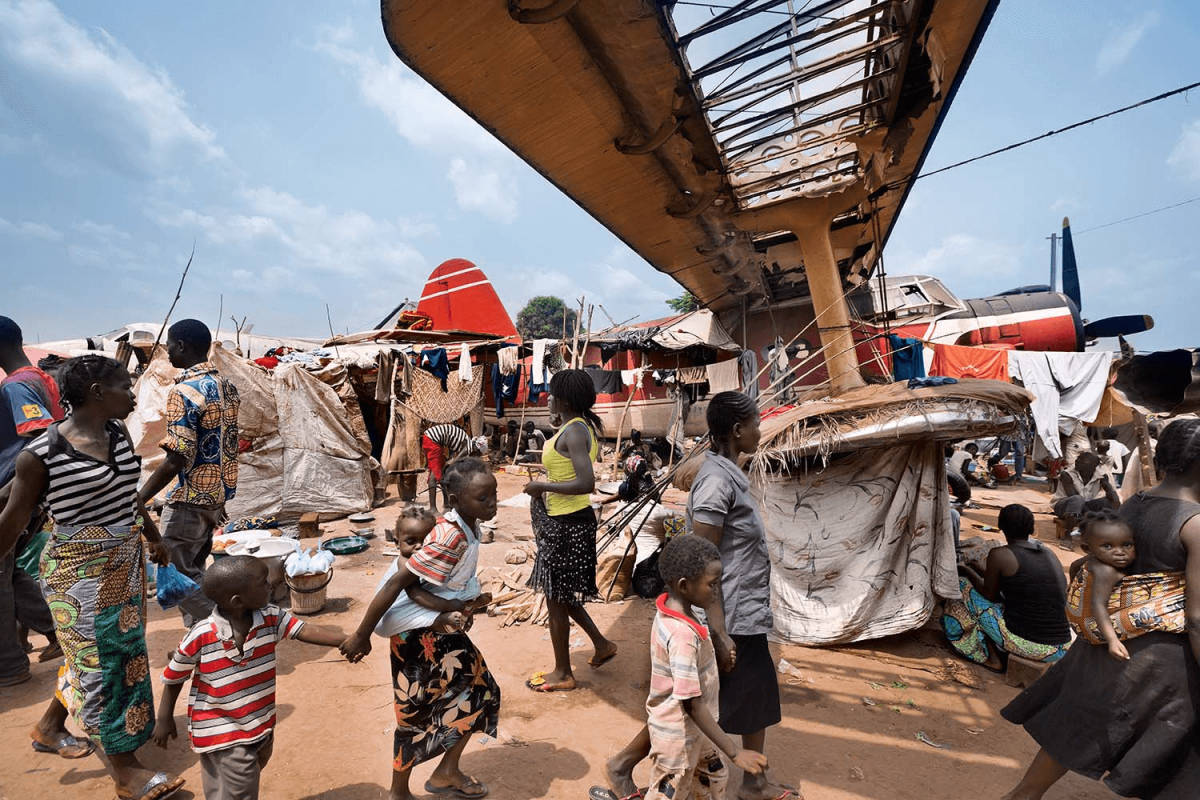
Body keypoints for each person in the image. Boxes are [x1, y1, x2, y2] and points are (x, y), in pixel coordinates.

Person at [0, 355, 183, 800]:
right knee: (102, 666)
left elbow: (127, 498)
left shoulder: (118, 434)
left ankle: (48, 727)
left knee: (111, 655)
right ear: (98, 392)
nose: (134, 393)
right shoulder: (40, 456)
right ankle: (125, 770)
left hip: (123, 566)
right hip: (77, 578)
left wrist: (154, 536)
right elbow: (11, 520)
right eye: (125, 385)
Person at [1001, 418, 1200, 799]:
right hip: (1161, 664)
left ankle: (1023, 794)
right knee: (1176, 756)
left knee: (1072, 731)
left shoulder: (1133, 505)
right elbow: (1196, 617)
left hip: (1103, 646)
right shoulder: (1194, 523)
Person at [340, 458, 500, 800]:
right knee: (413, 714)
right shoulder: (449, 537)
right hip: (416, 637)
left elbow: (444, 585)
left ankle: (446, 772)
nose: (492, 504)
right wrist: (361, 633)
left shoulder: (469, 526)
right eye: (482, 498)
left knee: (480, 693)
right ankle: (400, 791)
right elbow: (399, 582)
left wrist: (464, 604)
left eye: (493, 495)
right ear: (455, 500)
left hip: (439, 631)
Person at [152, 555, 344, 800]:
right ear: (237, 601)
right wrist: (164, 717)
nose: (271, 585)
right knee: (242, 790)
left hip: (260, 724)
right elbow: (174, 676)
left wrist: (347, 640)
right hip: (222, 729)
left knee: (225, 788)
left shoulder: (271, 616)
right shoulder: (201, 635)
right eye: (263, 583)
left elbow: (303, 630)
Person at [643, 534, 768, 800]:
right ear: (685, 585)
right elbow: (692, 704)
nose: (716, 590)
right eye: (712, 584)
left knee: (713, 779)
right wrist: (735, 751)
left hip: (698, 732)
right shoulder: (682, 636)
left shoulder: (683, 612)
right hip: (678, 739)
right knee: (671, 792)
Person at [138, 319, 240, 627]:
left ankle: (231, 627)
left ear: (181, 345)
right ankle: (200, 641)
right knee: (196, 568)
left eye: (169, 345)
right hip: (216, 496)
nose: (167, 352)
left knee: (175, 576)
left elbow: (178, 456)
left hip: (190, 498)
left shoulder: (183, 391)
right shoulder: (227, 386)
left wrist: (140, 497)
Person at [523, 369, 618, 692]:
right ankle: (602, 644)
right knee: (561, 596)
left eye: (551, 393)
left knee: (555, 599)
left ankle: (563, 673)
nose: (547, 398)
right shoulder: (575, 427)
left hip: (568, 525)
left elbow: (586, 483)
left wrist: (541, 485)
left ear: (562, 399)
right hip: (566, 521)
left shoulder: (575, 431)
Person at [0, 315, 65, 686]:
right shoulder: (42, 378)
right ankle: (51, 629)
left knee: (2, 573)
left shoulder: (16, 386)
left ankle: (8, 664)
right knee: (12, 571)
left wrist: (12, 495)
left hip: (13, 492)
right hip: (24, 493)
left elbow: (40, 438)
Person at [942, 504, 1070, 669]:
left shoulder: (1000, 554)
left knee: (961, 586)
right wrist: (978, 570)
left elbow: (989, 594)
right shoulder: (1048, 553)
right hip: (1062, 646)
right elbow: (1018, 584)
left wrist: (966, 570)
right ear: (1032, 528)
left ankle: (990, 657)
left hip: (1033, 646)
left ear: (1001, 526)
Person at [373, 503, 486, 636]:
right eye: (411, 541)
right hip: (389, 617)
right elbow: (415, 594)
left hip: (413, 605)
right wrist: (448, 605)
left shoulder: (433, 556)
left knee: (456, 587)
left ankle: (468, 607)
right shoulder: (404, 562)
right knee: (449, 599)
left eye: (426, 540)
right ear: (397, 542)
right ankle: (437, 621)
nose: (419, 546)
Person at [1066, 511, 1136, 662]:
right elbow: (1098, 604)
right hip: (1092, 626)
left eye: (1127, 545)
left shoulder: (1091, 559)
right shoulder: (1106, 570)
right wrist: (1112, 641)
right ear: (1087, 548)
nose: (1120, 552)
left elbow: (1074, 565)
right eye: (1108, 546)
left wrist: (1072, 588)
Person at [1051, 451, 1119, 533]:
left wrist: (1107, 485)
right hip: (1063, 507)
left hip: (1084, 506)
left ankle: (1111, 531)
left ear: (1093, 466)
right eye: (1078, 458)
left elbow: (1113, 498)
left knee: (1109, 500)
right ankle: (1067, 534)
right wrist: (1091, 515)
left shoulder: (1100, 475)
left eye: (1082, 460)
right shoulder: (1067, 474)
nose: (1077, 461)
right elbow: (1073, 496)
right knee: (1077, 499)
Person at [420, 422, 469, 511]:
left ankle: (447, 503)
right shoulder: (468, 447)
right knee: (434, 475)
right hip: (432, 440)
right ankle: (433, 509)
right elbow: (455, 461)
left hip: (433, 440)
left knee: (443, 473)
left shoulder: (465, 441)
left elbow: (452, 459)